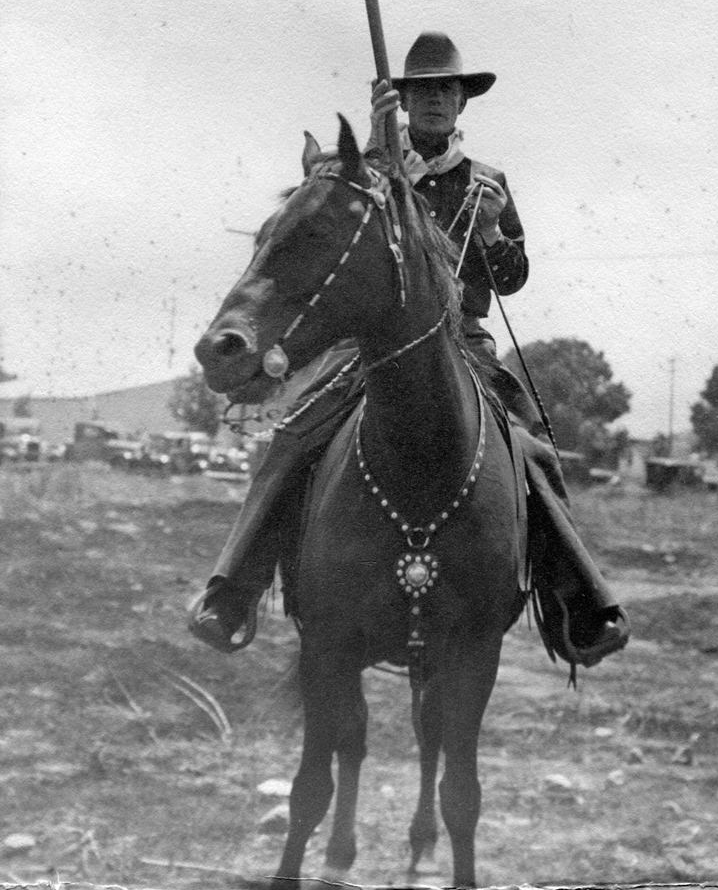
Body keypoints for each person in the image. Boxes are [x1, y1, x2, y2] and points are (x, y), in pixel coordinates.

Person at [188, 33, 629, 673]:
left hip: (465, 341)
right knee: (295, 432)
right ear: (404, 101)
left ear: (462, 103)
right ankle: (233, 590)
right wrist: (375, 144)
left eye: (446, 90)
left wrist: (491, 230)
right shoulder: (375, 170)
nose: (435, 101)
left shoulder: (488, 182)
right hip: (370, 343)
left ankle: (579, 602)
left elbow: (512, 280)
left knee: (530, 446)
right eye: (422, 91)